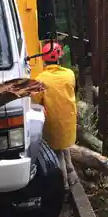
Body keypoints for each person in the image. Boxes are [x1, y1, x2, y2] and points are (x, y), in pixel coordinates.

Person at [31, 41, 78, 190]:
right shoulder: (69, 74)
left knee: (57, 153)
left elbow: (35, 101)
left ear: (43, 59)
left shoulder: (41, 79)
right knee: (65, 145)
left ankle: (64, 186)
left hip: (52, 122)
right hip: (69, 119)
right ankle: (72, 173)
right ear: (59, 57)